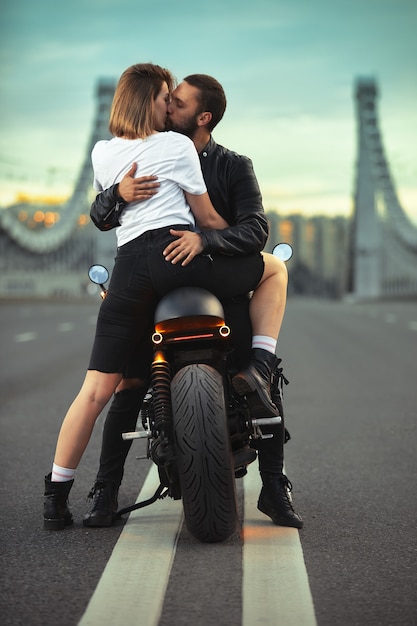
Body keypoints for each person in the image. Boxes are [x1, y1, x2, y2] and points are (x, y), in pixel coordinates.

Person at [43, 63, 290, 531]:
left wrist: (117, 191)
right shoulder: (176, 146)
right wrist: (206, 238)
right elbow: (212, 221)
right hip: (181, 263)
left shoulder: (103, 151)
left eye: (177, 101)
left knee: (98, 388)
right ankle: (262, 361)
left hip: (131, 270)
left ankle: (56, 496)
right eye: (165, 97)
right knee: (275, 268)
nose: (169, 104)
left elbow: (105, 217)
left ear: (204, 117)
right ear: (150, 102)